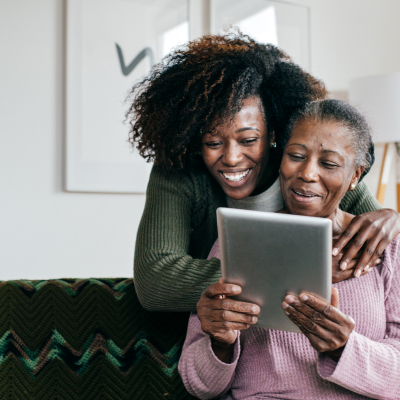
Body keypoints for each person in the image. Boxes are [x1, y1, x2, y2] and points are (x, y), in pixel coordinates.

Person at [126, 32, 400, 312]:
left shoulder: (305, 165)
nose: (231, 158)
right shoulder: (179, 168)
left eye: (248, 140)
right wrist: (299, 269)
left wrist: (394, 218)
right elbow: (155, 283)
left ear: (273, 134)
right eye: (213, 142)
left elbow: (377, 237)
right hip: (215, 328)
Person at [178, 99, 400, 399]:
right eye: (295, 155)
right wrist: (219, 342)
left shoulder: (389, 248)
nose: (307, 173)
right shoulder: (237, 238)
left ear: (356, 176)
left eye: (329, 163)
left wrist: (344, 348)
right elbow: (197, 385)